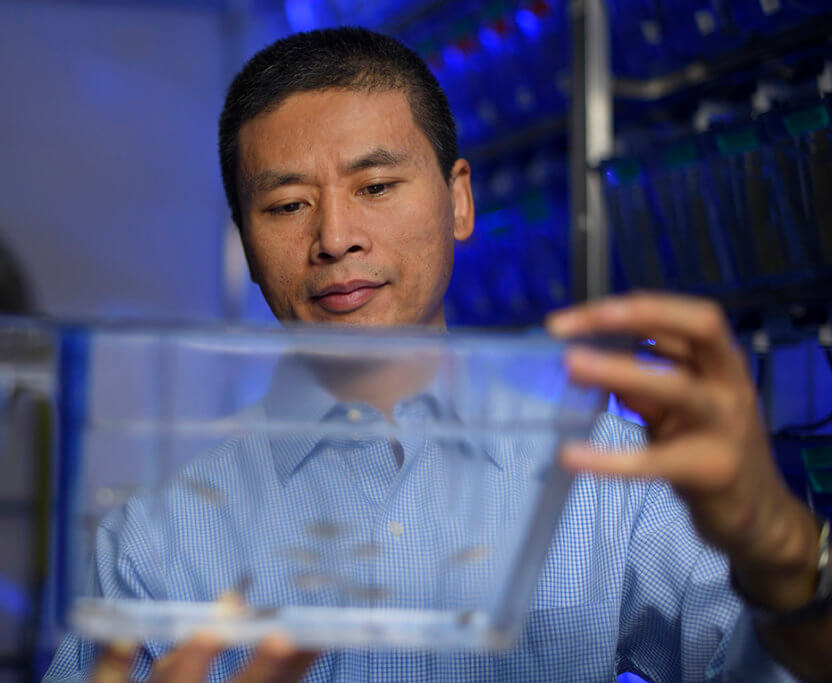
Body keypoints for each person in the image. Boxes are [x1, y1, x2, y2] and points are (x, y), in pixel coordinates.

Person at [45, 28, 830, 682]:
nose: (334, 237)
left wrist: (791, 560)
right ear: (246, 246)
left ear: (459, 200)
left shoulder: (609, 481)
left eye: (377, 186)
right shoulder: (155, 541)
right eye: (287, 205)